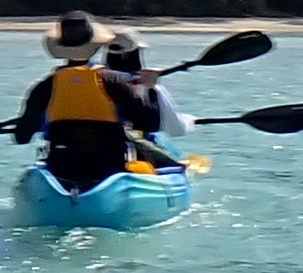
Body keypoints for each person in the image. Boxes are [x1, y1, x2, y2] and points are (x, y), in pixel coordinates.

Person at [11, 10, 161, 194]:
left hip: (61, 170)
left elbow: (21, 137)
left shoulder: (44, 87)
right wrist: (149, 88)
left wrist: (38, 122)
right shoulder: (115, 81)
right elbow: (149, 123)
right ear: (95, 46)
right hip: (107, 170)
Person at [101, 29, 194, 168]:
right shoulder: (147, 87)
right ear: (133, 55)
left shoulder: (92, 80)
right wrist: (189, 122)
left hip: (94, 149)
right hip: (131, 152)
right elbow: (177, 129)